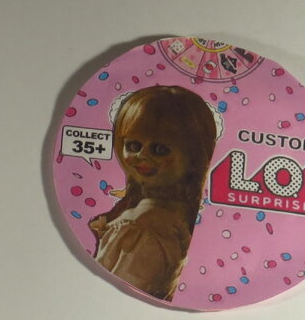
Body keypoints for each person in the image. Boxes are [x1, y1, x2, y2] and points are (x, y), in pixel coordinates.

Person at [88, 86, 217, 301]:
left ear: (193, 157)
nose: (142, 156)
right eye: (133, 145)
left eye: (159, 149)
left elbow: (114, 298)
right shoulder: (180, 216)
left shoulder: (140, 227)